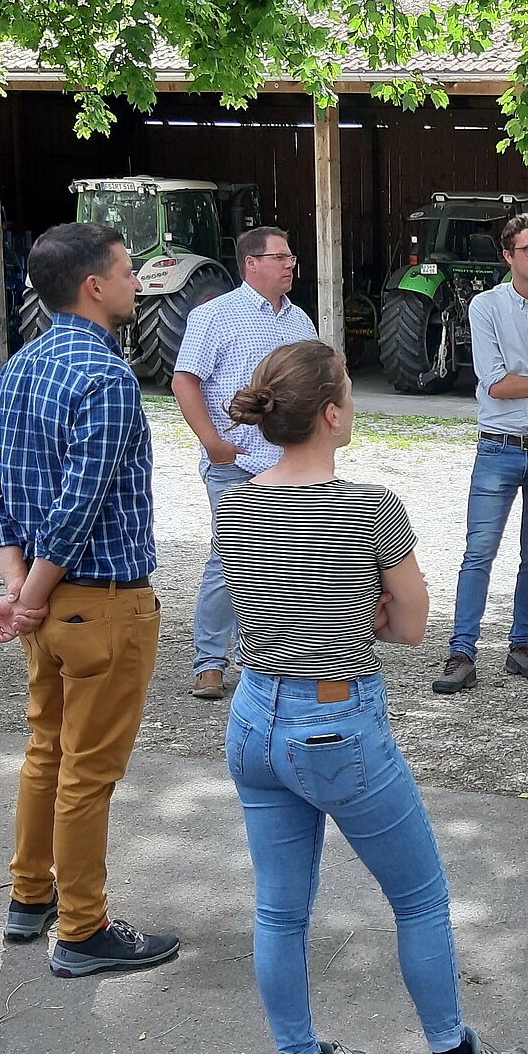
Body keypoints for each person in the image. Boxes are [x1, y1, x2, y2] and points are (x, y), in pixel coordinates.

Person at [216, 340, 528, 1054]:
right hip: (336, 721)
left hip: (255, 718)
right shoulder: (370, 506)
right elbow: (416, 623)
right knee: (420, 898)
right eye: (349, 394)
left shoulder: (237, 501)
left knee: (279, 911)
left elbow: (264, 609)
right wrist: (361, 616)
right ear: (330, 414)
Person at [0, 221, 180, 977]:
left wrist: (18, 594)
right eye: (128, 271)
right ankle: (84, 932)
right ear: (94, 285)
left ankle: (32, 897)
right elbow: (80, 504)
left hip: (45, 604)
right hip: (100, 602)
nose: (136, 283)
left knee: (46, 752)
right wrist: (28, 598)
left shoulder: (20, 367)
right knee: (87, 772)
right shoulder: (108, 378)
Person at [431, 212, 528, 695]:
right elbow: (497, 385)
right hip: (498, 447)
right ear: (507, 256)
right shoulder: (485, 307)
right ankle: (462, 651)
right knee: (479, 552)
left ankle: (521, 644)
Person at [171, 225, 317, 700]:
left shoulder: (300, 322)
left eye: (291, 256)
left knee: (290, 565)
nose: (291, 263)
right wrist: (213, 443)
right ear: (251, 263)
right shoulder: (215, 316)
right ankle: (210, 663)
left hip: (290, 461)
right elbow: (184, 381)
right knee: (229, 559)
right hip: (236, 461)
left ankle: (276, 659)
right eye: (281, 256)